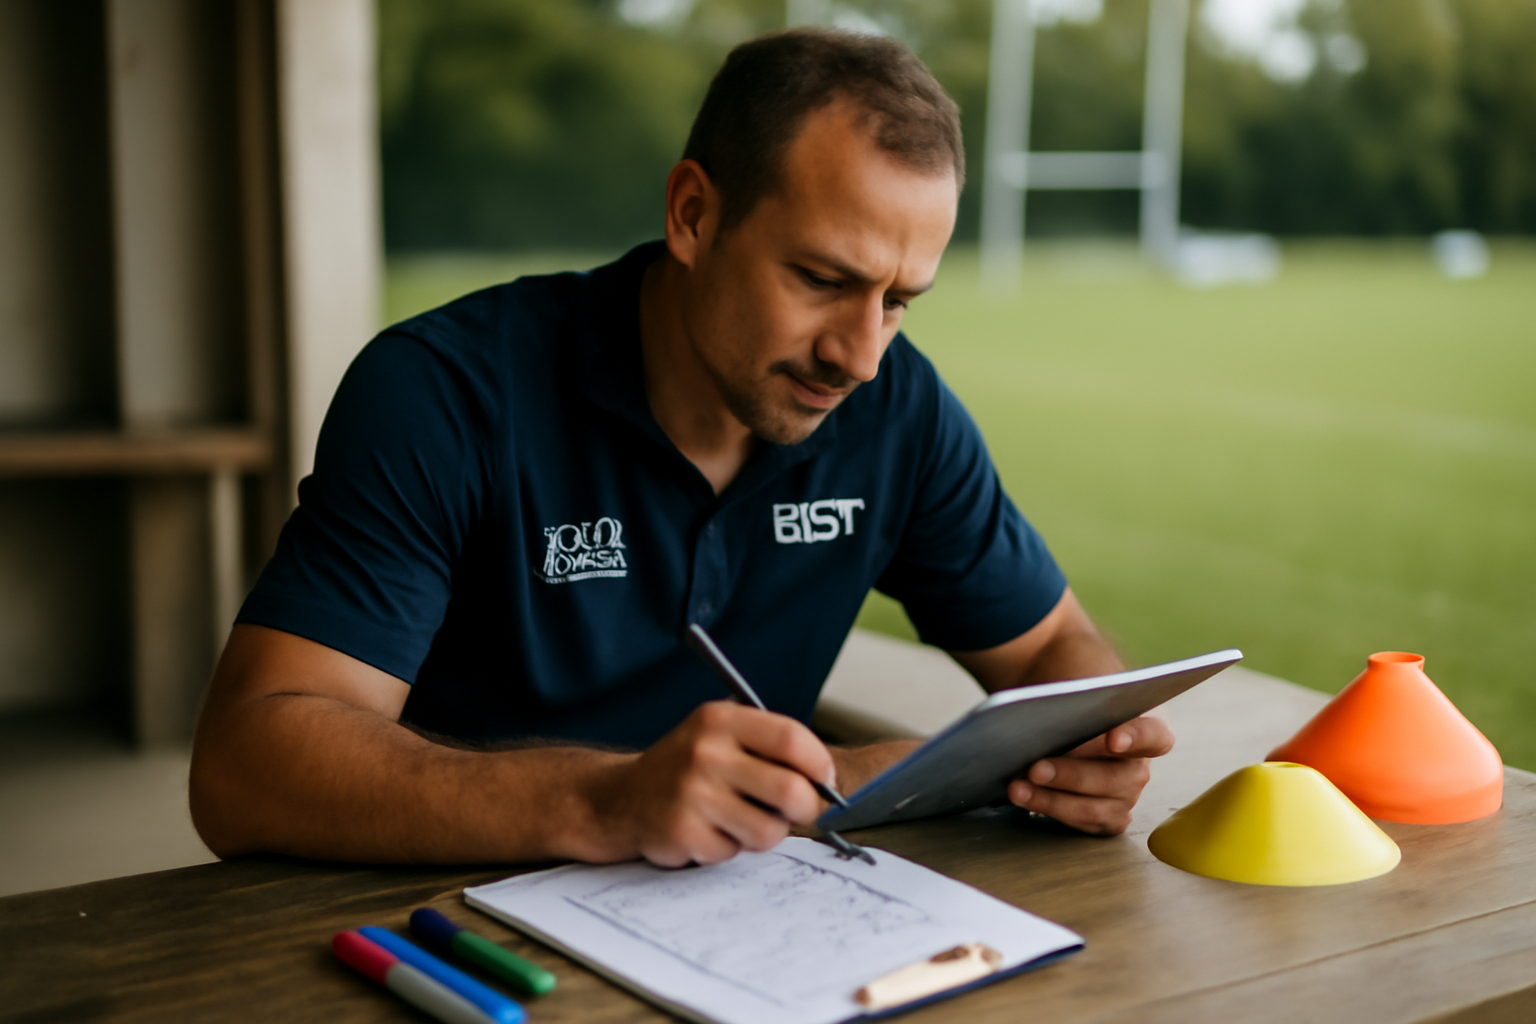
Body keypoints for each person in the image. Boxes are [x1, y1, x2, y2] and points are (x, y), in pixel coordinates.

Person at [189, 27, 1173, 869]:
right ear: (694, 215)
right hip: (446, 923)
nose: (860, 356)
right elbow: (246, 763)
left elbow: (1049, 645)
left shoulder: (894, 408)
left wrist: (1085, 736)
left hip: (759, 922)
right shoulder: (444, 393)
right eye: (825, 278)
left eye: (899, 301)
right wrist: (604, 799)